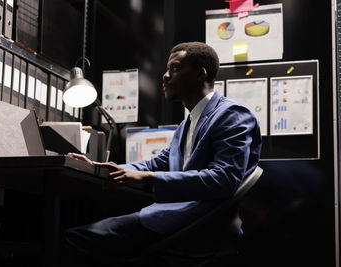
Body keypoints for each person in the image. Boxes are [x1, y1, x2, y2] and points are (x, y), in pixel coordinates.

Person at [64, 41, 262, 266]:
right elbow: (155, 163)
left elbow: (224, 179)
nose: (165, 76)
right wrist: (96, 167)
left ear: (200, 74)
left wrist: (150, 178)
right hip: (181, 216)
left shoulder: (232, 115)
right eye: (167, 70)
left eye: (175, 69)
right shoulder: (186, 124)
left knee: (76, 236)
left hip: (200, 224)